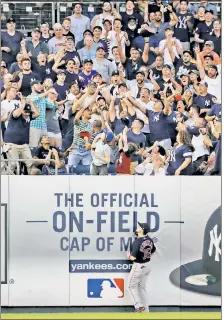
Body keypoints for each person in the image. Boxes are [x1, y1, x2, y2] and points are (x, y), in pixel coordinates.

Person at [3, 96, 40, 174]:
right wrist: (23, 104)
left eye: (28, 112)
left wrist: (31, 102)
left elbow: (37, 113)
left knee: (30, 164)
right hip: (11, 144)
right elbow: (16, 114)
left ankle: (34, 180)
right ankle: (6, 181)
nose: (27, 113)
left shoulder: (29, 116)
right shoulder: (15, 114)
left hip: (24, 145)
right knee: (13, 164)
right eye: (25, 111)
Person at [127, 222, 156, 313]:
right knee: (142, 288)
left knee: (130, 286)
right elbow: (153, 249)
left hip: (139, 266)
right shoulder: (149, 240)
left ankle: (138, 306)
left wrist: (128, 256)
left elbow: (133, 258)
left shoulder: (138, 241)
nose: (137, 227)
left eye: (139, 226)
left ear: (142, 230)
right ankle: (146, 310)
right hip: (148, 265)